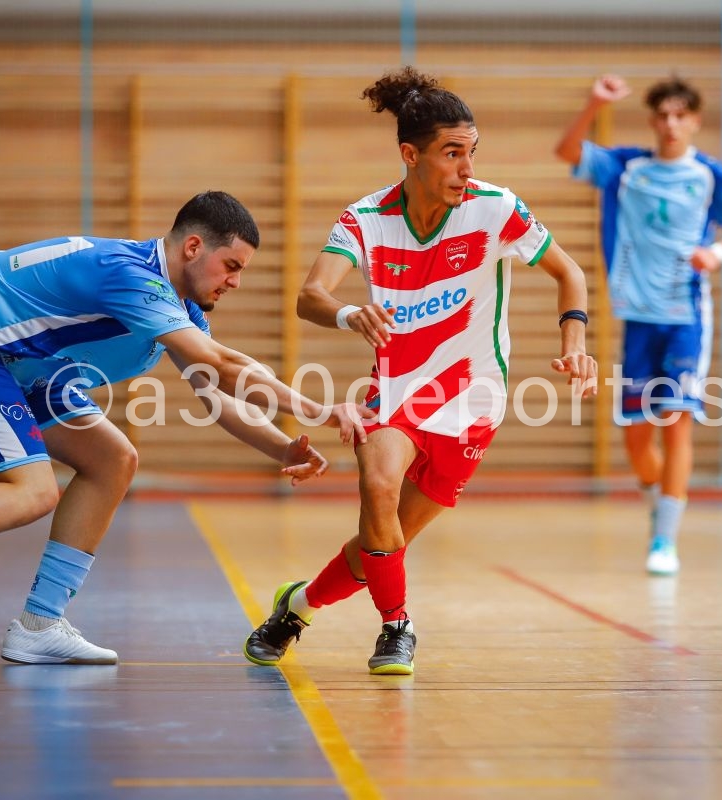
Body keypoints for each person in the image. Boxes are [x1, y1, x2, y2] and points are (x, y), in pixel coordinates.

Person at [0, 190, 372, 665]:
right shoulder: (131, 275)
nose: (234, 281)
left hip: (21, 366)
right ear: (192, 248)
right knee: (31, 488)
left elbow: (217, 393)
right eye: (231, 266)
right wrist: (326, 411)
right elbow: (229, 368)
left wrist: (283, 449)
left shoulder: (175, 305)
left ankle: (39, 626)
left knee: (113, 459)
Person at [243, 67, 598, 676]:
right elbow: (311, 295)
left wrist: (576, 340)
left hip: (475, 401)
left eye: (472, 152)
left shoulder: (496, 210)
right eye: (452, 153)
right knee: (377, 489)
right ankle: (397, 627)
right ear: (411, 154)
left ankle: (296, 606)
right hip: (395, 395)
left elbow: (572, 273)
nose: (466, 168)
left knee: (383, 542)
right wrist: (351, 311)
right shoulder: (367, 218)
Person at [553, 74, 722, 575]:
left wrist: (715, 252)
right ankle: (661, 504)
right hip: (637, 319)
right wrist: (593, 102)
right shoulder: (626, 167)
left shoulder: (709, 174)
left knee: (676, 424)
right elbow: (567, 150)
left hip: (685, 317)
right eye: (662, 115)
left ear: (694, 121)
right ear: (652, 121)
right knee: (633, 437)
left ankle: (665, 541)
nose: (671, 124)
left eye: (680, 115)